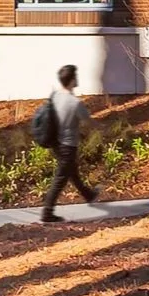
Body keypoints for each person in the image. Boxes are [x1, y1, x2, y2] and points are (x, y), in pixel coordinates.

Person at [40, 64, 98, 223]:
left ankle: (89, 195)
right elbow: (88, 121)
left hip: (55, 143)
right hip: (68, 145)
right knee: (61, 178)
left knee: (72, 171)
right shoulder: (74, 102)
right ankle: (47, 213)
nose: (77, 79)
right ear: (72, 80)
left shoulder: (55, 96)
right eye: (76, 76)